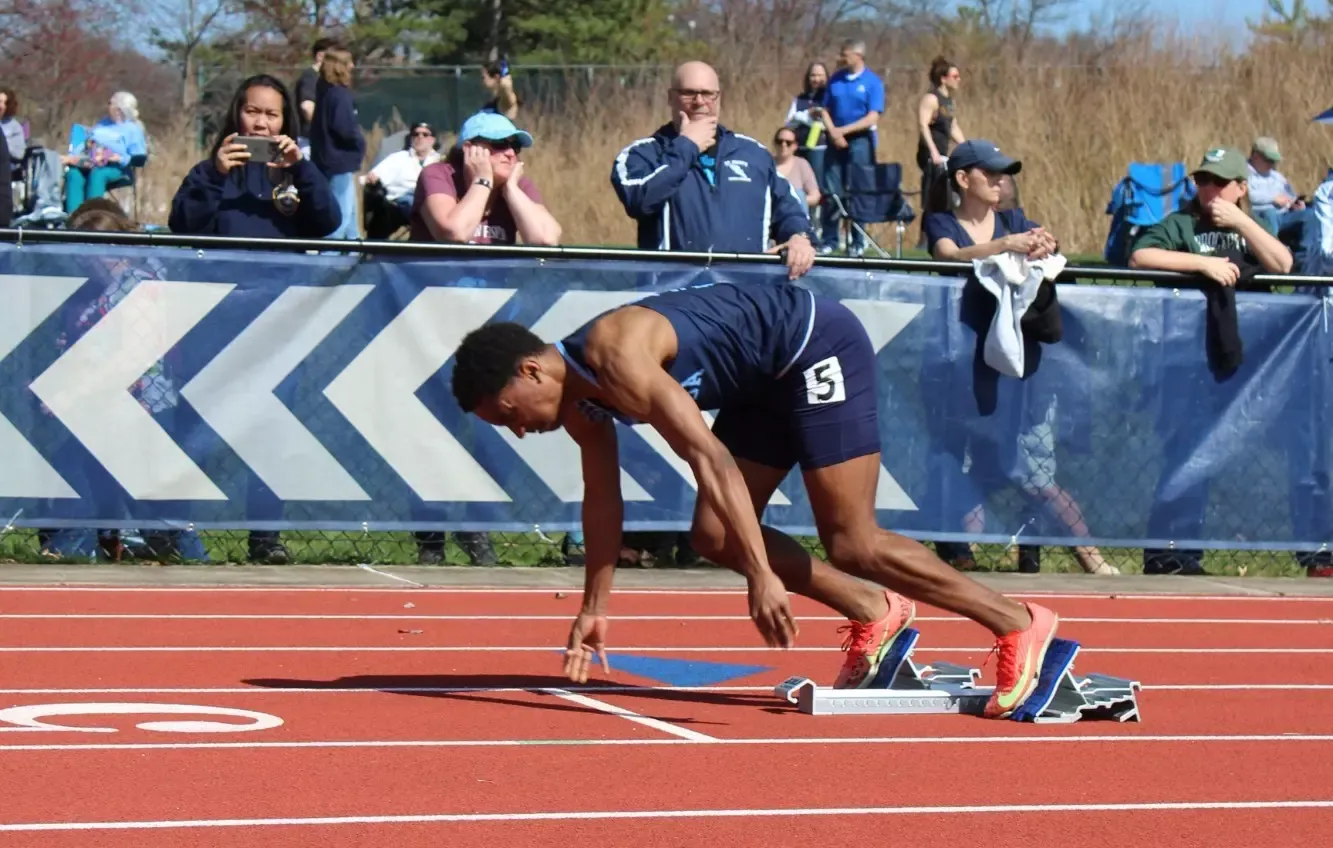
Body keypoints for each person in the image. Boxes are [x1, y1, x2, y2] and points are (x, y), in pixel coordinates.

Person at [449, 280, 1062, 719]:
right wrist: (595, 606)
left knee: (853, 539)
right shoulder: (579, 404)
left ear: (531, 372)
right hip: (757, 383)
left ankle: (1018, 623)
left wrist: (763, 574)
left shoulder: (617, 357)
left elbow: (708, 458)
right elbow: (602, 500)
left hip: (814, 345)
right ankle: (874, 610)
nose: (520, 431)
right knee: (713, 536)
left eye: (509, 416)